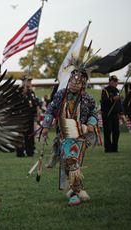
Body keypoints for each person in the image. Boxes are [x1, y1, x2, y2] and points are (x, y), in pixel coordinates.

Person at [42, 67, 99, 206]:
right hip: (63, 134)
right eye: (72, 82)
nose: (74, 85)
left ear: (83, 84)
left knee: (71, 160)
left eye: (77, 83)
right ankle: (78, 190)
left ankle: (75, 192)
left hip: (80, 135)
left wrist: (91, 123)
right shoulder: (61, 94)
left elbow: (94, 113)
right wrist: (45, 126)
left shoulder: (88, 98)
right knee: (68, 162)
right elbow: (51, 109)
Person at [16, 76, 38, 157]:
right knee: (20, 135)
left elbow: (34, 104)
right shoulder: (18, 91)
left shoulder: (31, 92)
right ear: (23, 82)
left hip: (30, 117)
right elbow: (16, 104)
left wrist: (36, 114)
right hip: (21, 117)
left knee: (30, 135)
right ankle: (20, 152)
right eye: (27, 81)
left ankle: (30, 151)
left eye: (30, 81)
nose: (29, 83)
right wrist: (22, 94)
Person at [101, 75, 121, 152]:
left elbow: (118, 103)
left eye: (117, 81)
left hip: (115, 114)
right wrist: (112, 99)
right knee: (107, 131)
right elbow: (104, 101)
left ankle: (114, 148)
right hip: (107, 114)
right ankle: (108, 148)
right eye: (115, 81)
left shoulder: (117, 90)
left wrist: (120, 111)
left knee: (116, 132)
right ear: (111, 81)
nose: (117, 83)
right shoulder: (105, 90)